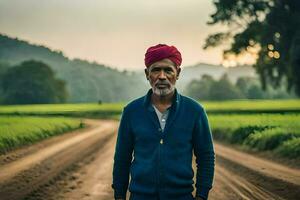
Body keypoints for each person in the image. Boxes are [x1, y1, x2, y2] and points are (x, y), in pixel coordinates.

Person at [112, 44, 215, 200]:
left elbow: (206, 156)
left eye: (168, 70)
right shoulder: (132, 111)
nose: (162, 76)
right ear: (147, 74)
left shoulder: (195, 111)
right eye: (155, 70)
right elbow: (122, 157)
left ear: (178, 73)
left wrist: (202, 195)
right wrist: (119, 195)